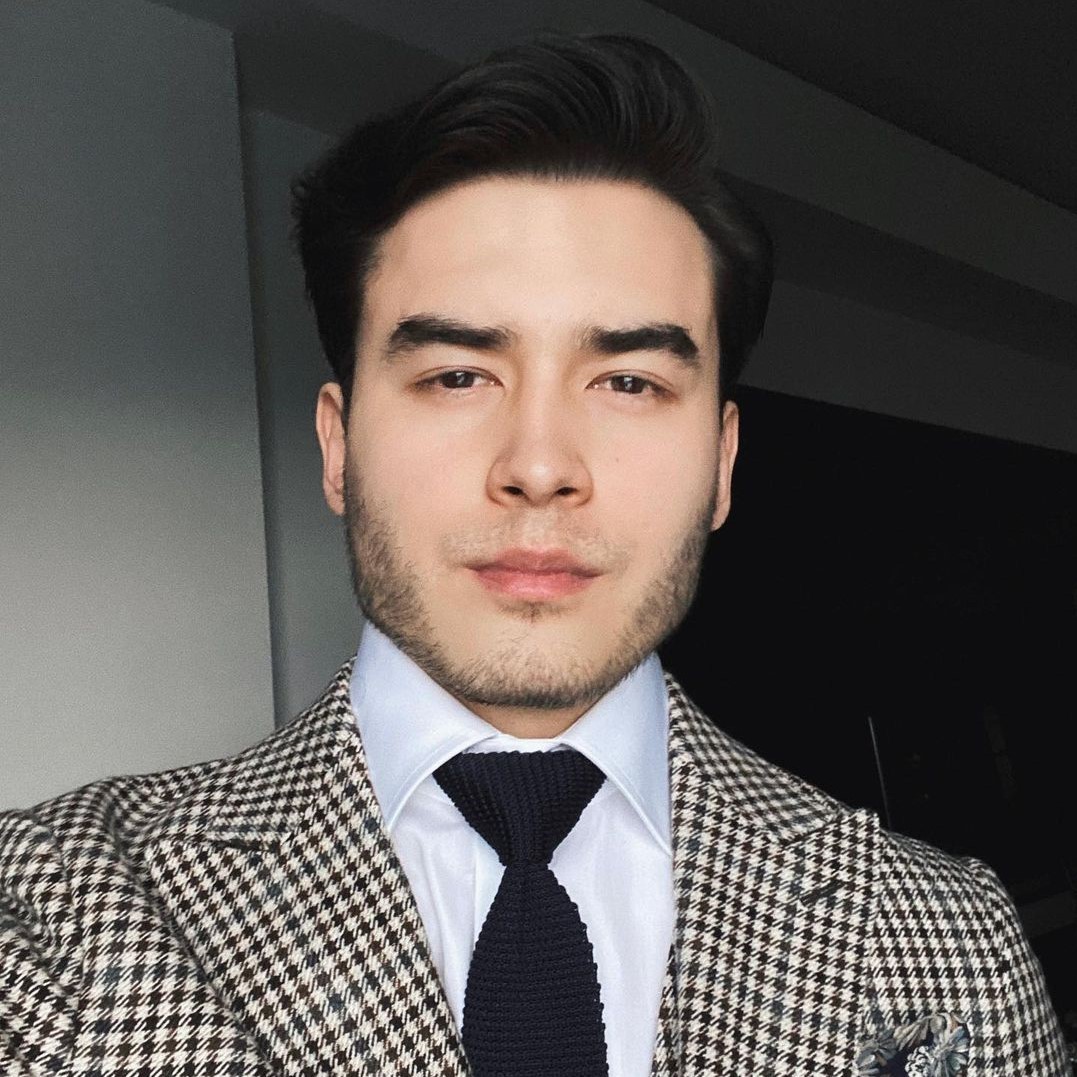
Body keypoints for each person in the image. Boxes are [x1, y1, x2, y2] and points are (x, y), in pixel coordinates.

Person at [0, 33, 1068, 1077]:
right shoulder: (48, 922)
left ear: (722, 464)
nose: (541, 466)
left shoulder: (947, 936)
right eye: (458, 375)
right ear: (339, 447)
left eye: (629, 382)